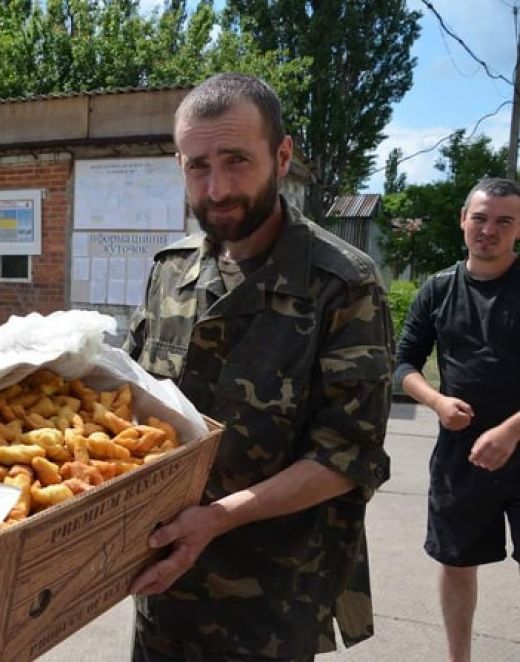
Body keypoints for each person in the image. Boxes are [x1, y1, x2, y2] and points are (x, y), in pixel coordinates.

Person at [124, 73, 394, 660]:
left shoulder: (342, 285)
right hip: (163, 586)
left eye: (236, 160)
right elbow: (128, 408)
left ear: (283, 154)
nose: (217, 188)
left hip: (271, 602)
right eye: (198, 166)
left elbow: (347, 456)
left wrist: (216, 520)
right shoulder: (171, 272)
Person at [395, 177, 520, 662]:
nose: (489, 230)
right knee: (457, 562)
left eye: (503, 221)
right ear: (463, 220)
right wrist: (436, 401)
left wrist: (511, 430)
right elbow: (404, 363)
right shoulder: (438, 289)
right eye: (481, 218)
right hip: (459, 455)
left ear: (517, 229)